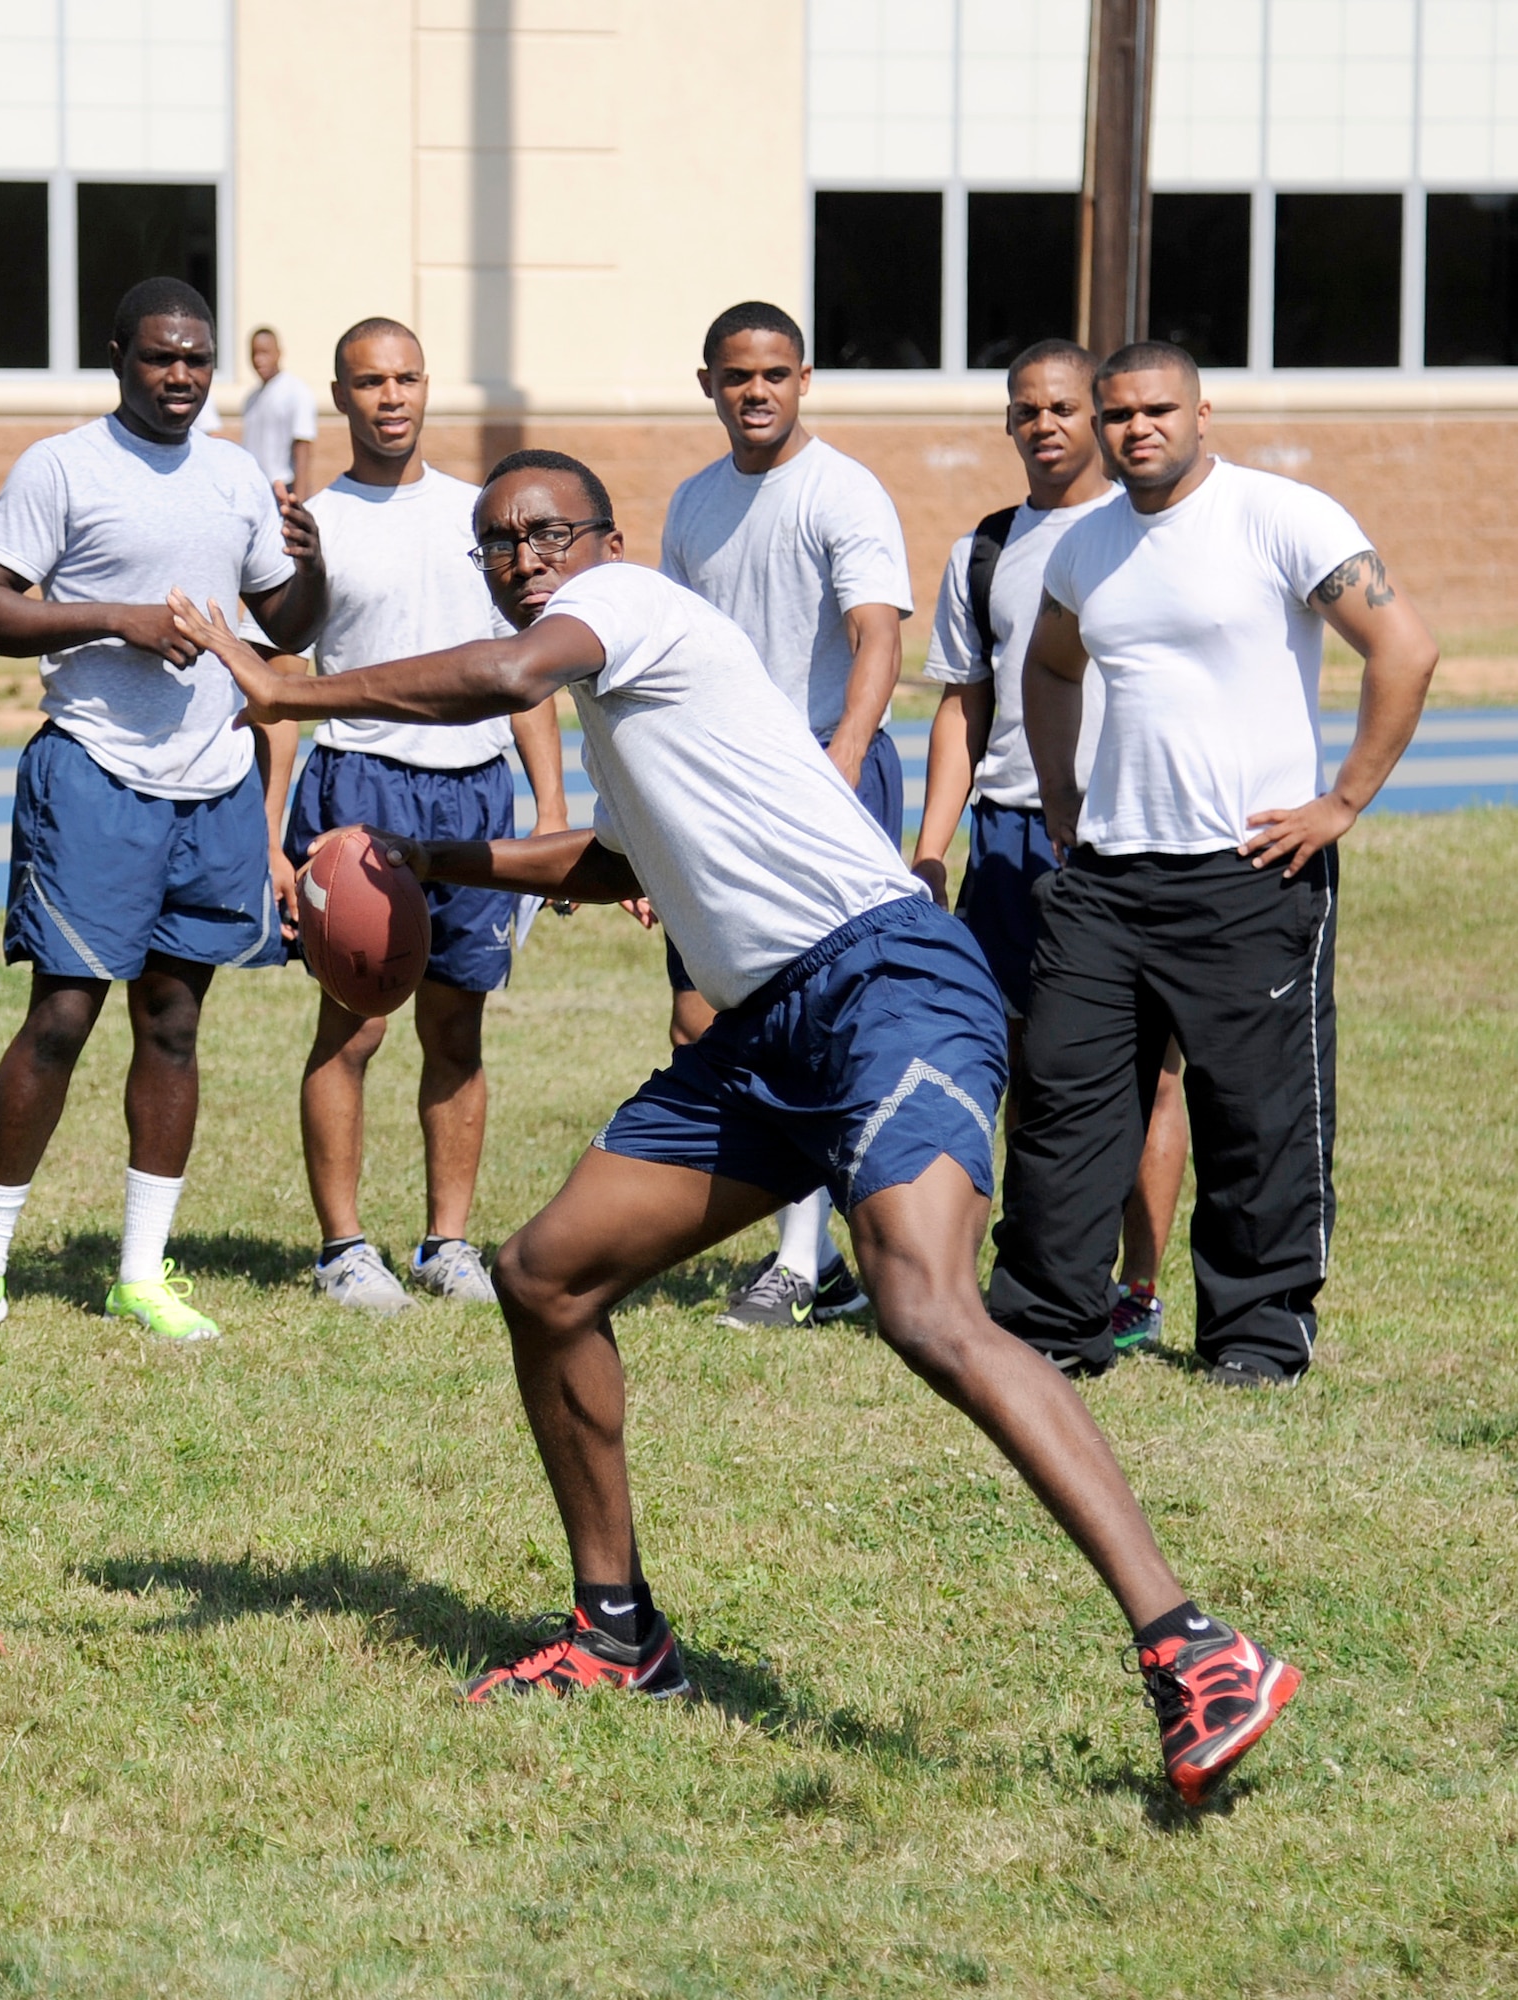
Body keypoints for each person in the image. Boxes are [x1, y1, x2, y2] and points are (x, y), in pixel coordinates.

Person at [168, 446, 1304, 1805]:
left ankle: (1194, 1648)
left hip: (887, 982)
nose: (523, 560)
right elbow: (611, 860)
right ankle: (619, 1636)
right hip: (761, 1033)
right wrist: (436, 861)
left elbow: (503, 676)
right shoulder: (627, 692)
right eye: (499, 546)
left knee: (929, 1308)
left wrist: (287, 683)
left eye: (546, 535)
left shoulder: (634, 609)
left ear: (603, 538)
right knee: (543, 1281)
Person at [990, 341, 1438, 1385]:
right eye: (1117, 414)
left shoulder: (1282, 516)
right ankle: (1049, 1324)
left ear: (1202, 413)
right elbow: (1050, 663)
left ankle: (1254, 1335)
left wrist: (1339, 802)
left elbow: (1402, 649)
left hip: (1247, 870)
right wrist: (1060, 793)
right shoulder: (1084, 546)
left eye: (1155, 409)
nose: (1133, 428)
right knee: (1062, 1103)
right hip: (1104, 877)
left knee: (1255, 1117)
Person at [0, 276, 326, 1348]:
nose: (181, 377)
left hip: (212, 781)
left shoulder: (236, 474)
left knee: (175, 1023)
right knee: (60, 1019)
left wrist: (314, 571)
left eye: (196, 359)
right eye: (160, 358)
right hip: (94, 771)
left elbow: (284, 624)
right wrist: (115, 621)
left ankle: (142, 1271)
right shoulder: (63, 466)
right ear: (119, 359)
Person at [264, 317, 569, 1309]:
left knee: (458, 1029)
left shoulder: (477, 512)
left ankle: (447, 1244)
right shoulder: (317, 519)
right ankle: (343, 1248)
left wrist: (550, 813)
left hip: (475, 791)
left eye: (403, 379)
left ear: (425, 386)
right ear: (340, 397)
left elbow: (525, 675)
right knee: (352, 1029)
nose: (388, 397)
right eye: (367, 382)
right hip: (362, 785)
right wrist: (273, 837)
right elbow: (281, 686)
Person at [911, 339, 1187, 1360]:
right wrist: (932, 846)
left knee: (1144, 1074)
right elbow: (961, 706)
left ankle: (1139, 1284)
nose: (1043, 424)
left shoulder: (1147, 533)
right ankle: (1035, 1272)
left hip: (1127, 837)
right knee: (1025, 1065)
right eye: (1024, 408)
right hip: (1010, 837)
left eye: (1063, 407)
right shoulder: (982, 548)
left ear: (1096, 417)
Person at [659, 300, 912, 1330]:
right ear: (707, 385)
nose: (753, 390)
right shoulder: (691, 502)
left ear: (802, 379)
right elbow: (672, 662)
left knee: (813, 1021)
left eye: (772, 373)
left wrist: (838, 761)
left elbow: (875, 637)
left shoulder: (841, 490)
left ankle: (805, 1266)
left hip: (823, 778)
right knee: (703, 1016)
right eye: (734, 375)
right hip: (721, 791)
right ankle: (817, 1257)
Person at [241, 326, 320, 499]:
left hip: (283, 489)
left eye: (264, 352)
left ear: (278, 353)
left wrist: (298, 501)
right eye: (254, 353)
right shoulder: (251, 398)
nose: (258, 359)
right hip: (255, 491)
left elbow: (303, 448)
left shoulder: (296, 392)